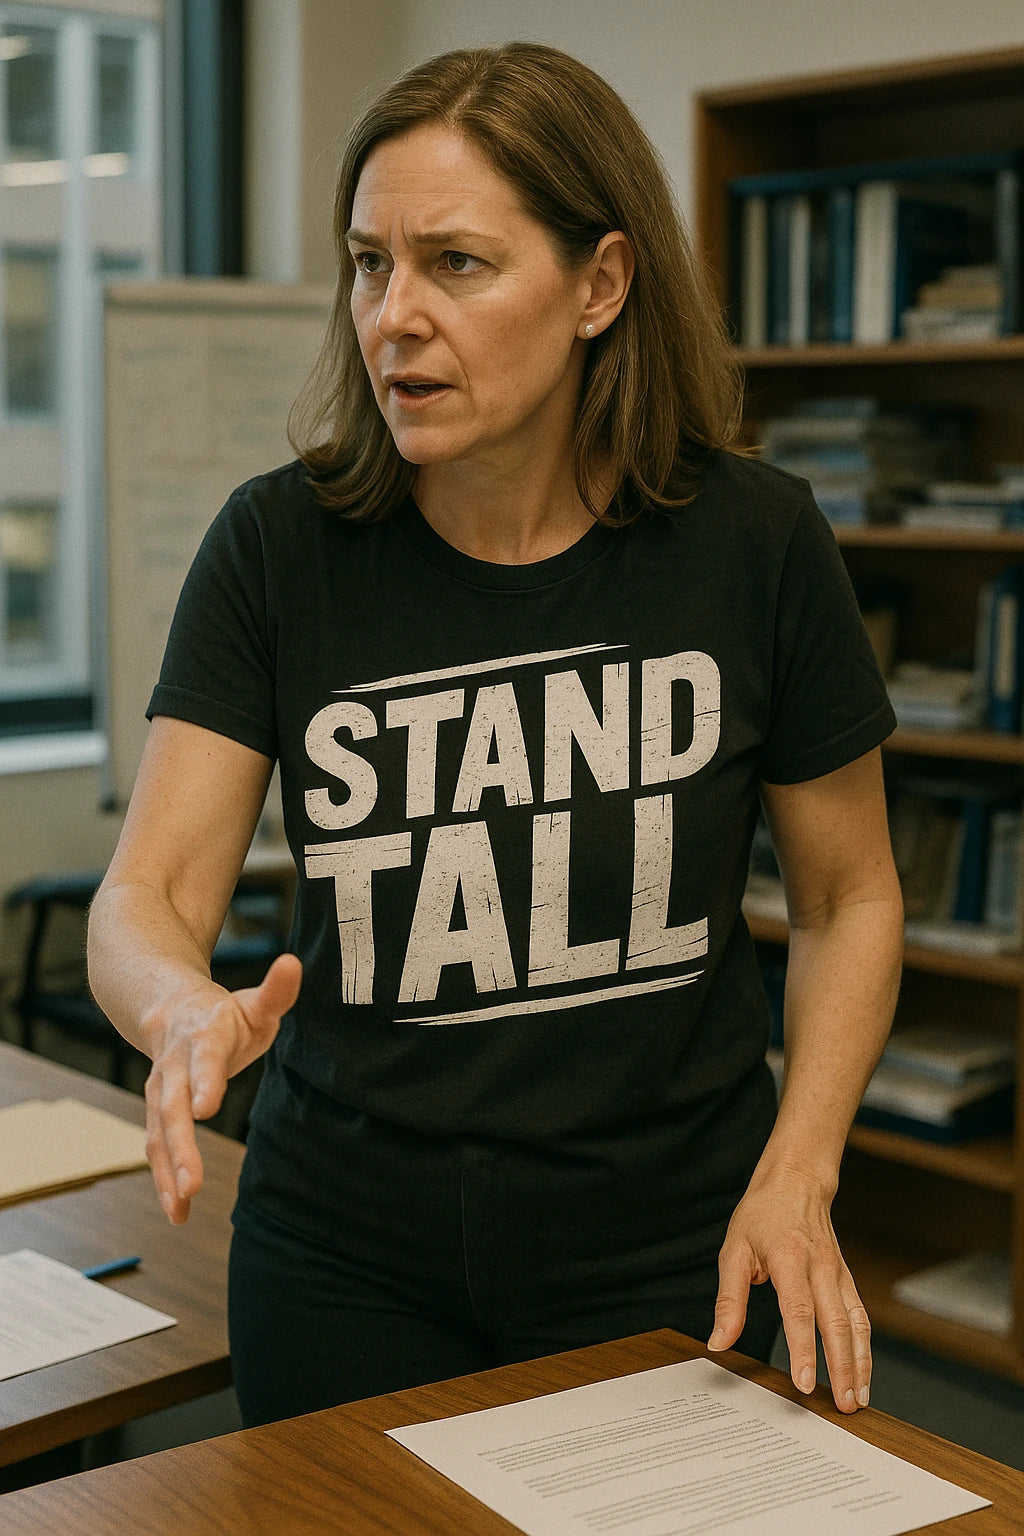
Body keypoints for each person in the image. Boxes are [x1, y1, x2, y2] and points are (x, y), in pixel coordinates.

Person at [87, 41, 904, 1429]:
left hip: (666, 1243)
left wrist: (802, 1164)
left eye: (454, 264)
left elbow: (850, 897)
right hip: (346, 1250)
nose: (392, 315)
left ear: (601, 284)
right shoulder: (279, 549)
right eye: (368, 264)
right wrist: (178, 1014)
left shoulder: (754, 544)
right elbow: (149, 895)